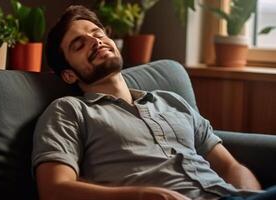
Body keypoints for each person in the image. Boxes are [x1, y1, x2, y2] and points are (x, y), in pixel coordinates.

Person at [31, 5, 275, 200]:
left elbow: (230, 167)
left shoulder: (171, 101)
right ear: (69, 75)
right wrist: (141, 195)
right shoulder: (70, 111)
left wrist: (251, 195)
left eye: (98, 34)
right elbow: (54, 189)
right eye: (79, 44)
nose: (96, 41)